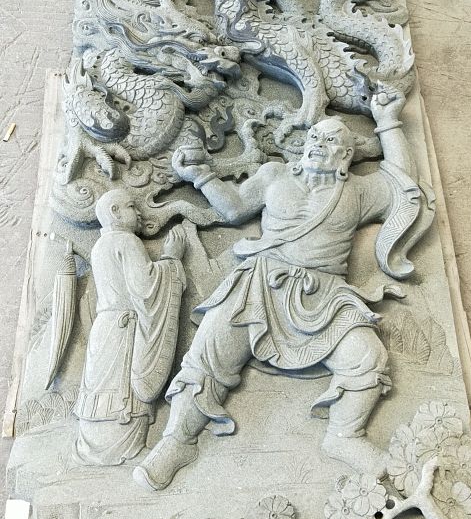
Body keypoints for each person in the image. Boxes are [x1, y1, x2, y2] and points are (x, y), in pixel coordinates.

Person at [133, 89, 434, 490]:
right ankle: (176, 441)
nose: (319, 144)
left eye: (331, 140)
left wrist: (388, 119)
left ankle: (345, 436)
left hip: (323, 295)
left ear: (346, 155)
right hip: (259, 283)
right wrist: (201, 175)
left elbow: (401, 181)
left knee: (368, 357)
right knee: (207, 352)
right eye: (315, 137)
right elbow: (235, 208)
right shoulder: (275, 175)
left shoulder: (359, 192)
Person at [74, 188, 186, 465]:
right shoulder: (126, 241)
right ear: (114, 212)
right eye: (132, 207)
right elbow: (146, 286)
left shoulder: (100, 246)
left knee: (101, 387)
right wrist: (172, 259)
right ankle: (127, 449)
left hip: (105, 327)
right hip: (124, 329)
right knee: (123, 388)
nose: (138, 213)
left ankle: (94, 448)